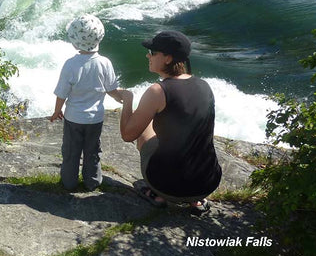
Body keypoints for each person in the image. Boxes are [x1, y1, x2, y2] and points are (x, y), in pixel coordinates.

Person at [118, 30, 222, 213]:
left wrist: (127, 100)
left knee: (144, 129)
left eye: (153, 52)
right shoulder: (205, 85)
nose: (147, 55)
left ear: (167, 58)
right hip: (208, 182)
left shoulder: (158, 91)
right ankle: (196, 201)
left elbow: (127, 135)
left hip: (168, 187)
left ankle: (155, 194)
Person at [50, 14, 123, 191]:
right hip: (95, 119)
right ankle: (92, 182)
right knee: (92, 151)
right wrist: (124, 99)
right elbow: (112, 90)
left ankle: (69, 182)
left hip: (74, 118)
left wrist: (56, 111)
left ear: (75, 42)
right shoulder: (105, 63)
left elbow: (62, 93)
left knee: (71, 151)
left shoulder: (71, 64)